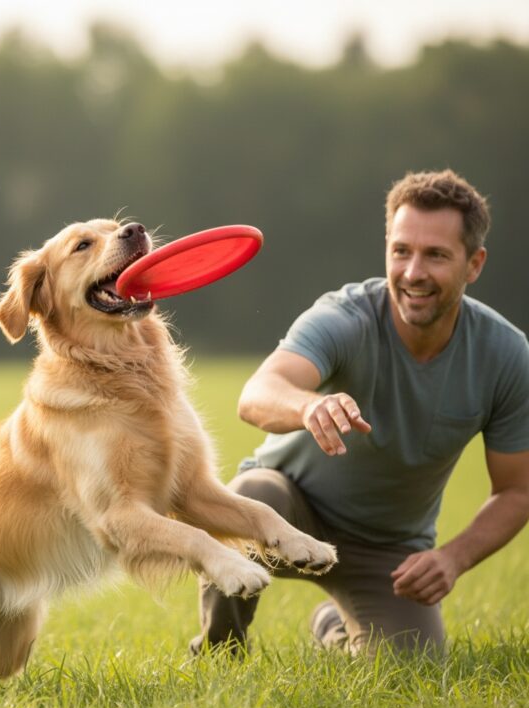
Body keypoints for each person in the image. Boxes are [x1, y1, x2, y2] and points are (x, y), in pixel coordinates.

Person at [191, 169, 529, 655]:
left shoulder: (505, 354)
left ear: (474, 264)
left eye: (436, 255)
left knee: (412, 665)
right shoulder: (345, 317)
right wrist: (310, 406)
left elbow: (516, 490)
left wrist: (453, 559)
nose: (413, 272)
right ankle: (221, 650)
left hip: (387, 548)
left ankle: (332, 626)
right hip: (290, 512)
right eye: (401, 251)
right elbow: (258, 393)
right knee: (250, 494)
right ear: (387, 247)